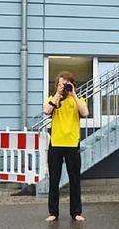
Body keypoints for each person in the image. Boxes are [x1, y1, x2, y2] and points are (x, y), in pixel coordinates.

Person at [42, 72, 89, 222]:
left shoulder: (78, 100)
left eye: (68, 84)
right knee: (54, 180)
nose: (65, 86)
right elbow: (46, 111)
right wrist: (58, 93)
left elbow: (85, 113)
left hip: (72, 143)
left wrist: (73, 94)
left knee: (74, 180)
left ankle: (76, 212)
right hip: (56, 144)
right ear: (57, 85)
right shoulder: (53, 99)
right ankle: (53, 213)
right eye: (62, 84)